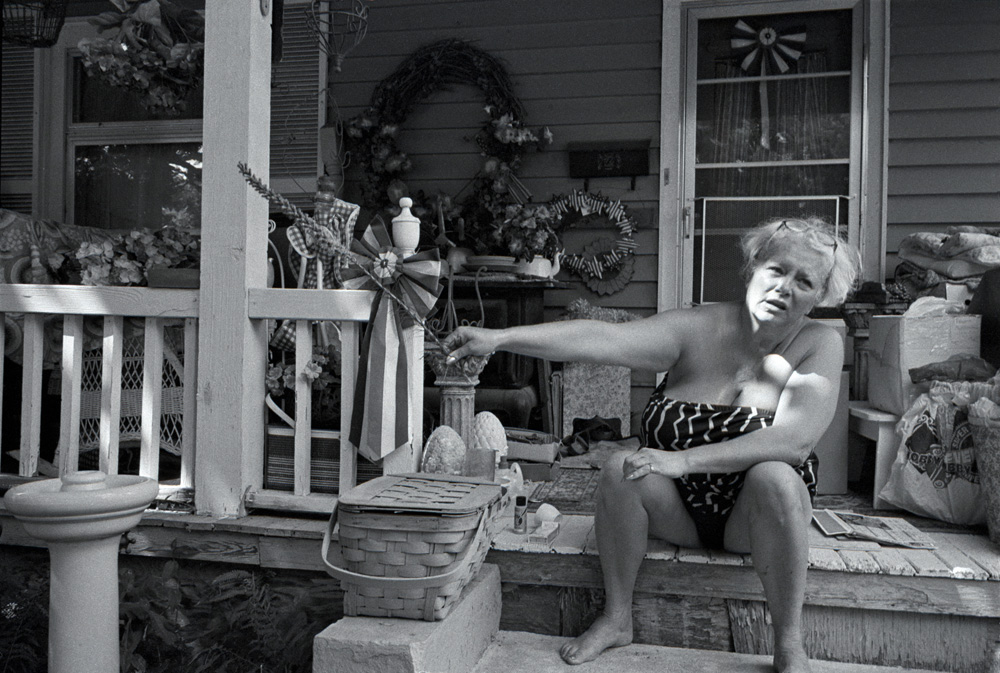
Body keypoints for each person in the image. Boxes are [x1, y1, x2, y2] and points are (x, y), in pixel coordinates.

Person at [443, 216, 862, 673]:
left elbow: (794, 441)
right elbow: (600, 338)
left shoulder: (819, 342)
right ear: (754, 265)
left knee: (777, 477)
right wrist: (501, 338)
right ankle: (616, 618)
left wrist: (684, 460)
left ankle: (789, 643)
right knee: (621, 467)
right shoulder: (697, 327)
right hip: (677, 512)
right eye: (777, 270)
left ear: (821, 296)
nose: (785, 287)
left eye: (805, 281)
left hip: (754, 519)